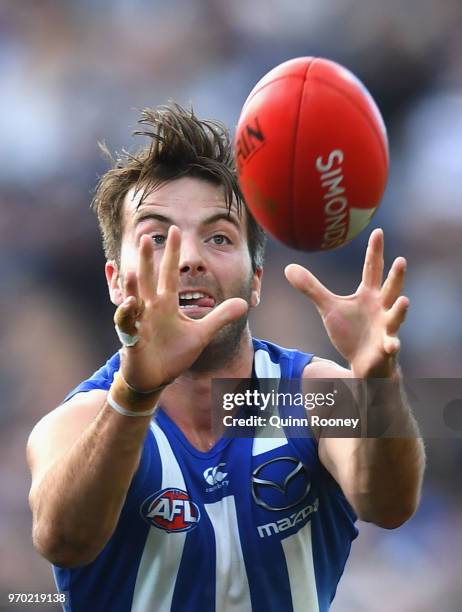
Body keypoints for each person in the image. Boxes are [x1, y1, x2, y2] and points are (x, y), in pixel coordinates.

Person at [26, 103, 425, 612]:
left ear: (255, 280)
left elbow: (388, 504)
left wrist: (377, 384)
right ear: (113, 281)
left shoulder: (307, 393)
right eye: (156, 238)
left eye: (219, 237)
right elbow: (63, 540)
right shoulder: (78, 420)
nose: (189, 258)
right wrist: (136, 393)